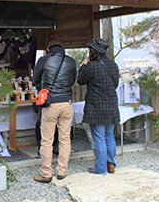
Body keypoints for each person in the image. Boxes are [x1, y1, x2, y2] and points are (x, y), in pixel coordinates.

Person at [32, 40, 77, 183]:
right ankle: (62, 172)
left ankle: (46, 173)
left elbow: (36, 78)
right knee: (65, 139)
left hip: (50, 103)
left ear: (48, 49)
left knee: (47, 140)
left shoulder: (44, 60)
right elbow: (72, 80)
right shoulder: (71, 61)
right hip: (67, 102)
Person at [77, 38, 120, 175]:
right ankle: (110, 165)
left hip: (97, 106)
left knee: (99, 138)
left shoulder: (91, 66)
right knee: (109, 136)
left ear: (93, 51)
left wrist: (83, 65)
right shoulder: (113, 65)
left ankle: (100, 168)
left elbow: (80, 80)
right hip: (112, 105)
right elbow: (115, 85)